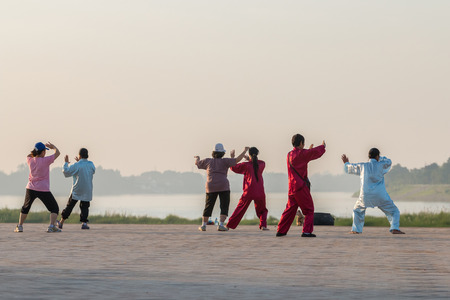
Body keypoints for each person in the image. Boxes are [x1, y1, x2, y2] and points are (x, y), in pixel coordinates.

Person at [341, 148, 405, 234]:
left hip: (365, 195)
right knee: (394, 211)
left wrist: (346, 163)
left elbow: (350, 168)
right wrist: (380, 158)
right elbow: (389, 161)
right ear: (377, 156)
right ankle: (394, 228)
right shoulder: (381, 165)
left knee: (357, 210)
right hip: (380, 195)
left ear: (369, 156)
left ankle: (355, 230)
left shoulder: (363, 166)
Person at [276, 134, 326, 237]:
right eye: (303, 143)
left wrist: (308, 151)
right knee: (309, 209)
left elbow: (305, 156)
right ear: (300, 143)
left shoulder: (289, 154)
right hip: (300, 187)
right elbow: (313, 153)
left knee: (290, 209)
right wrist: (323, 146)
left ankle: (281, 230)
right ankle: (306, 231)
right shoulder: (302, 154)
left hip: (291, 187)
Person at [195, 143, 248, 232]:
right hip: (223, 186)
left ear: (213, 152)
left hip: (211, 186)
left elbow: (197, 164)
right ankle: (221, 225)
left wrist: (197, 158)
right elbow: (237, 160)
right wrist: (245, 151)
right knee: (224, 205)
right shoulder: (225, 161)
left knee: (208, 205)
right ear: (222, 153)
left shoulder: (208, 161)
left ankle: (203, 225)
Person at [15, 142, 61, 233]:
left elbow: (29, 155)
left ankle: (20, 226)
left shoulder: (30, 160)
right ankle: (51, 226)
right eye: (45, 151)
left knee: (25, 207)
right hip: (43, 188)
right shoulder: (46, 160)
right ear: (43, 152)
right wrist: (53, 147)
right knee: (54, 208)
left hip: (30, 188)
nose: (46, 153)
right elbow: (58, 153)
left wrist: (35, 151)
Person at [226, 147, 269, 231]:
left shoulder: (245, 165)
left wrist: (232, 158)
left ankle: (228, 225)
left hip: (248, 191)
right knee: (262, 210)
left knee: (240, 209)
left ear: (249, 154)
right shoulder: (262, 164)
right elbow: (255, 164)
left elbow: (233, 167)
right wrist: (248, 159)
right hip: (260, 191)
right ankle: (263, 225)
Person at [57, 148, 96, 230]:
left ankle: (61, 222)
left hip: (77, 189)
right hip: (87, 189)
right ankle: (84, 223)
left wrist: (66, 163)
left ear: (80, 155)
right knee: (85, 207)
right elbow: (93, 171)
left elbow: (66, 172)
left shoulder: (77, 165)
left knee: (70, 206)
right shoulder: (91, 164)